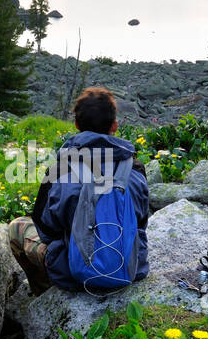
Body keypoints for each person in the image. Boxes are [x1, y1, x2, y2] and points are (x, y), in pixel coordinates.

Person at [8, 86, 150, 294]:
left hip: (75, 273)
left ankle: (44, 293)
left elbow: (46, 228)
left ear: (76, 124)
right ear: (115, 125)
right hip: (130, 269)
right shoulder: (135, 169)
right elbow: (141, 222)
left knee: (16, 227)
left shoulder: (61, 169)